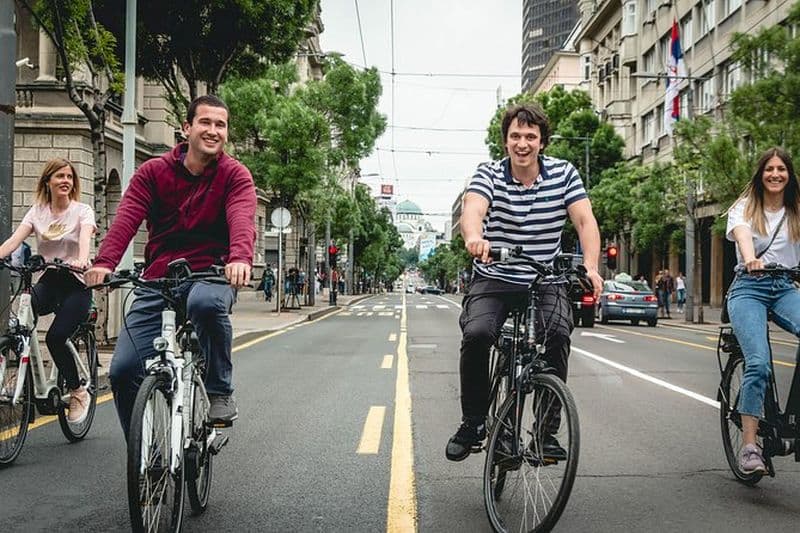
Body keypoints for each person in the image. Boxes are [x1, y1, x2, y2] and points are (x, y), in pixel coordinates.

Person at [85, 95, 256, 437]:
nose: (213, 130)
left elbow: (242, 217)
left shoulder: (235, 175)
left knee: (205, 303)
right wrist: (104, 262)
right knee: (123, 370)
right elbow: (127, 218)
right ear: (186, 128)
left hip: (211, 273)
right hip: (159, 278)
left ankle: (219, 390)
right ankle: (143, 449)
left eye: (220, 125)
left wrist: (239, 257)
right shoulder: (153, 172)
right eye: (205, 122)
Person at [445, 102, 603, 462]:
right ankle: (473, 423)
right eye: (515, 136)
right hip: (495, 276)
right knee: (477, 334)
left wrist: (591, 267)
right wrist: (475, 237)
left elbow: (584, 221)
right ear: (505, 141)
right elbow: (473, 210)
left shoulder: (564, 174)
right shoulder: (489, 173)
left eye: (530, 136)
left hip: (544, 279)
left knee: (558, 334)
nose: (522, 143)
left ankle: (545, 434)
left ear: (542, 142)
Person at [0, 158, 96, 423]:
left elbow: (85, 238)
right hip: (50, 280)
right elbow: (13, 241)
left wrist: (82, 259)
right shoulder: (37, 212)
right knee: (19, 319)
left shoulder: (82, 211)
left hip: (76, 283)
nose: (66, 181)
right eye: (60, 176)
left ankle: (78, 391)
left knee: (55, 337)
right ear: (48, 181)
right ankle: (22, 373)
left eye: (69, 177)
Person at [725, 147, 800, 474]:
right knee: (758, 363)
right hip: (749, 287)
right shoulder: (743, 207)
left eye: (781, 169)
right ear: (761, 174)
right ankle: (750, 446)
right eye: (769, 169)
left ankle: (793, 417)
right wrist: (750, 258)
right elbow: (743, 235)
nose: (775, 174)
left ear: (789, 175)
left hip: (785, 287)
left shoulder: (796, 210)